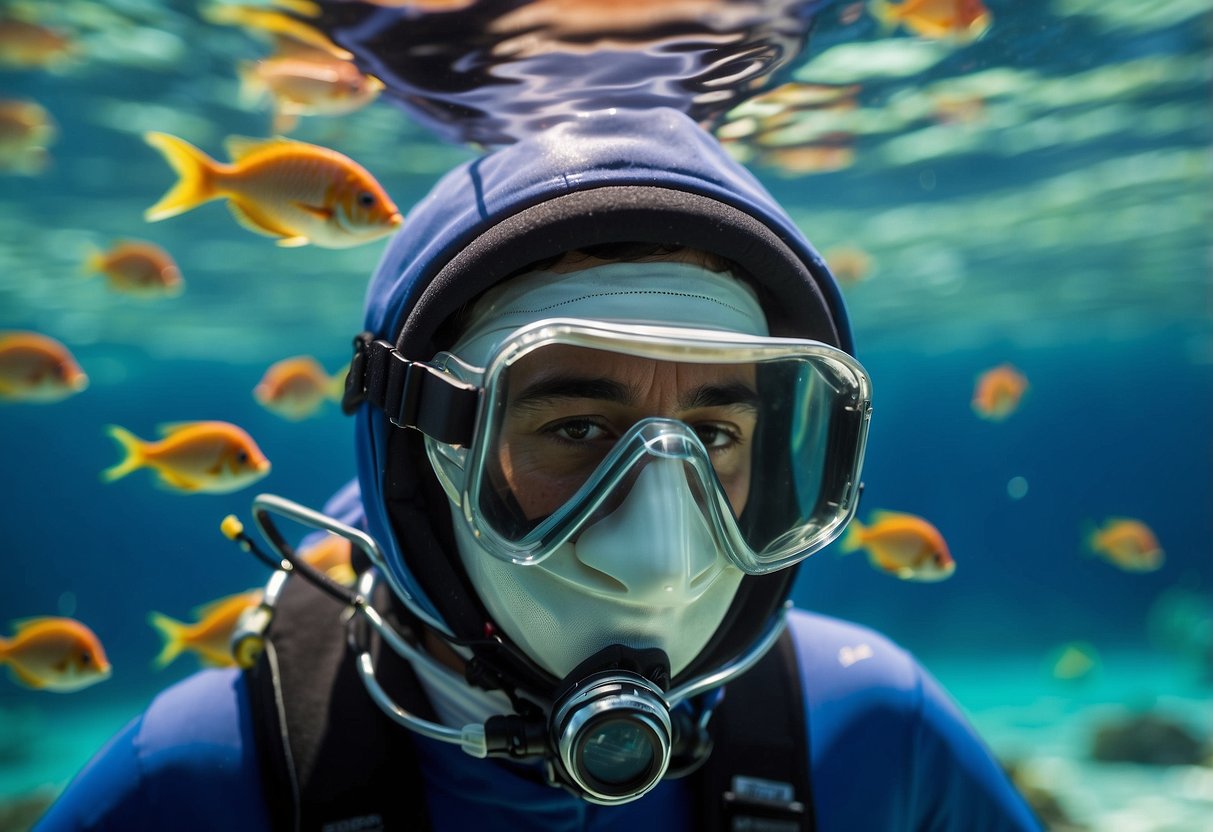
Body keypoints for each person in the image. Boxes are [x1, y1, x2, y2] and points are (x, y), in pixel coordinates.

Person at [37, 107, 1041, 831]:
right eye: (575, 431)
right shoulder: (190, 782)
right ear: (418, 453)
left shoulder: (882, 730)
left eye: (718, 436)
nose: (661, 552)